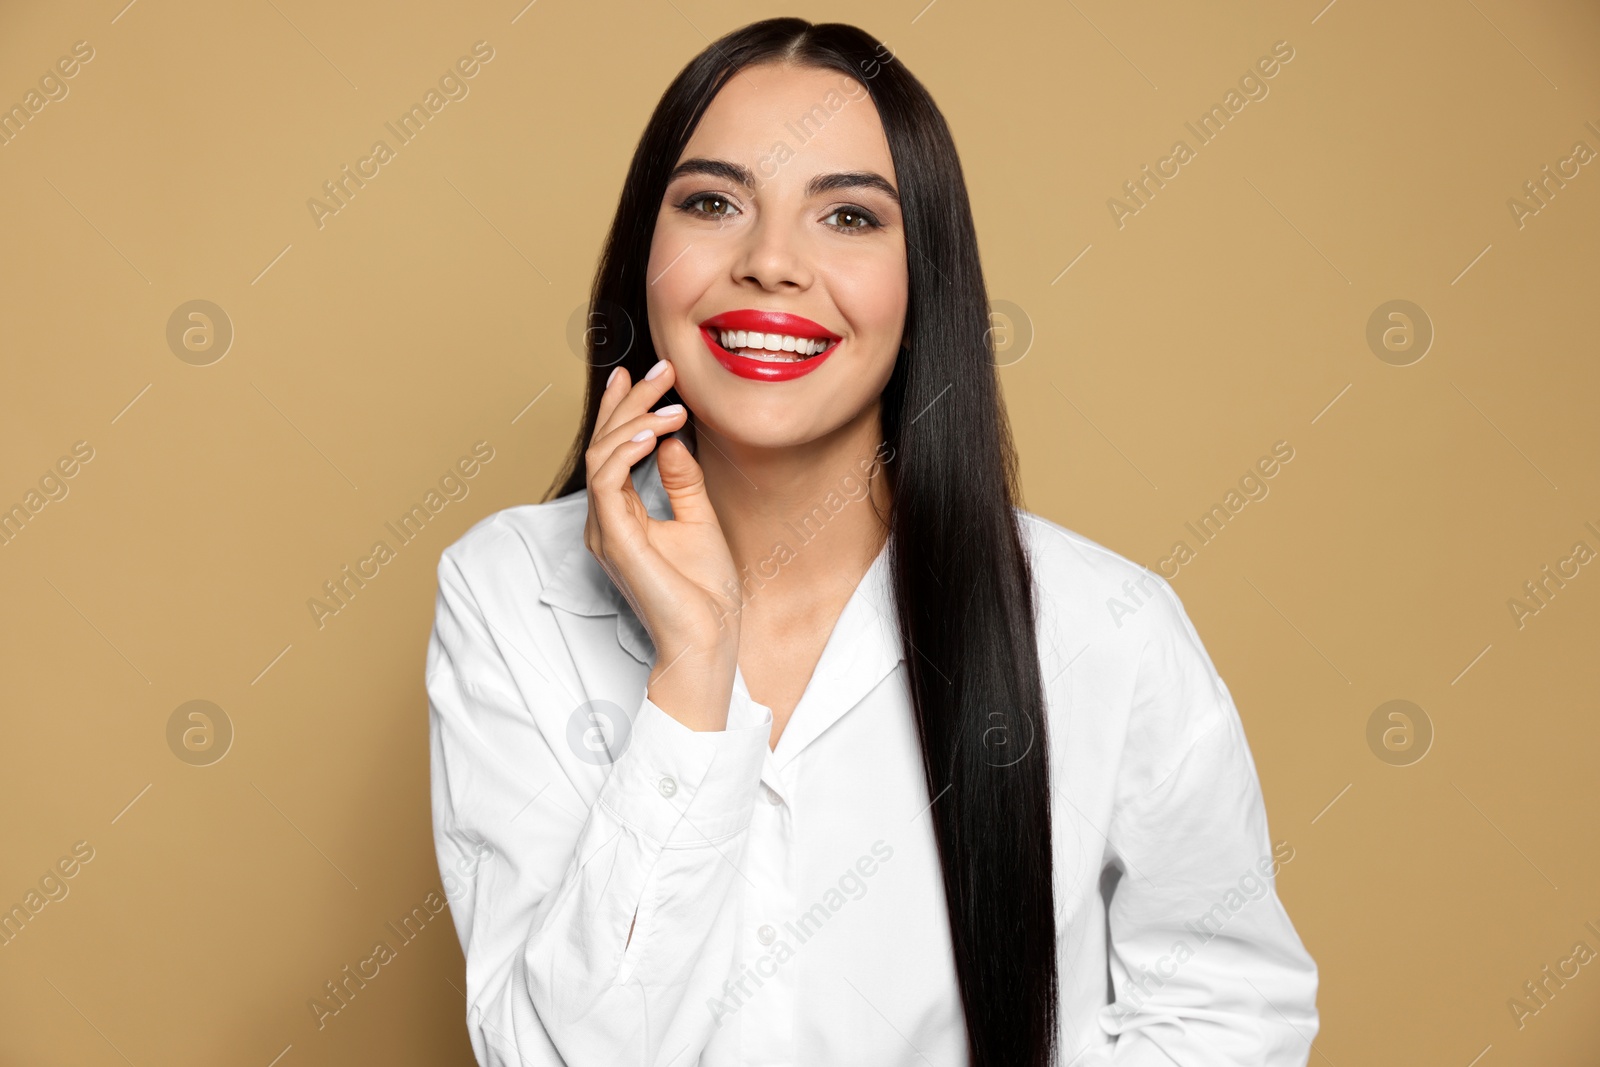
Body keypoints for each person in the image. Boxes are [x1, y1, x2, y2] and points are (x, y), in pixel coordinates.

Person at [426, 16, 1319, 1067]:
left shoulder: (1105, 627)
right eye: (713, 203)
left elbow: (1227, 1009)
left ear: (922, 281)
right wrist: (694, 666)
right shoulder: (508, 589)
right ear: (644, 253)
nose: (769, 263)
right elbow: (548, 1054)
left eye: (848, 216)